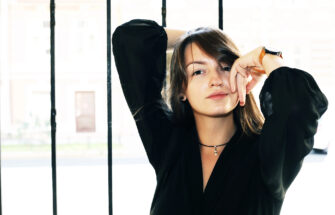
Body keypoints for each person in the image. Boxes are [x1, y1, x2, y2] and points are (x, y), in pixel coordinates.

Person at [112, 19, 328, 215]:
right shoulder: (168, 143)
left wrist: (265, 57)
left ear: (242, 75)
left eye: (225, 67)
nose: (215, 80)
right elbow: (130, 39)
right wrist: (197, 38)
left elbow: (298, 104)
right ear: (182, 91)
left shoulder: (268, 155)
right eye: (198, 71)